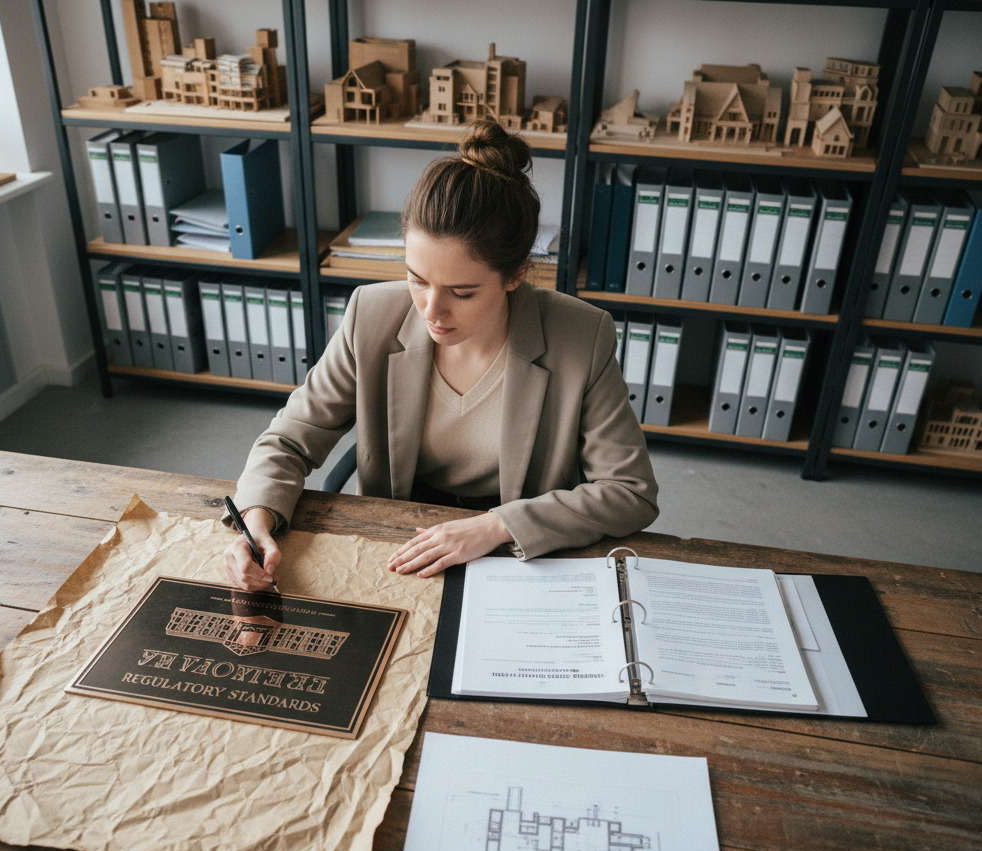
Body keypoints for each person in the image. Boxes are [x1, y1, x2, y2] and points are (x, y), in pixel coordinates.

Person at [224, 118, 658, 592]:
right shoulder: (371, 315)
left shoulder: (581, 335)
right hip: (403, 540)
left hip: (520, 550)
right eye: (417, 279)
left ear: (515, 275)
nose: (432, 312)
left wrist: (498, 526)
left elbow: (630, 492)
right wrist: (257, 517)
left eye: (463, 292)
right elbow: (289, 439)